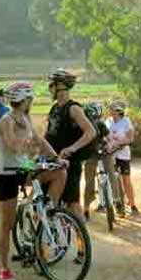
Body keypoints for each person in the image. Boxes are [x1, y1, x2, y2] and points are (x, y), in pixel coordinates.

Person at [0, 81, 67, 280]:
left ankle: (45, 212)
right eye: (30, 99)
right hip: (6, 173)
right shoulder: (6, 120)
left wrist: (55, 158)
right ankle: (5, 268)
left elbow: (40, 140)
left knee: (59, 173)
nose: (32, 102)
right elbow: (12, 145)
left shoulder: (26, 118)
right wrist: (28, 146)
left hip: (25, 167)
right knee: (6, 224)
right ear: (24, 100)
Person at [44, 68, 97, 222]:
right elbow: (50, 134)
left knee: (73, 203)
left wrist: (72, 148)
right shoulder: (55, 108)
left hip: (70, 163)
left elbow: (91, 132)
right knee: (52, 201)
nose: (50, 88)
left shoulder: (73, 108)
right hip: (54, 161)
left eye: (52, 84)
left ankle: (83, 241)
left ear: (60, 86)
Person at [82, 102, 121, 220]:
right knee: (108, 175)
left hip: (96, 154)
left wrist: (111, 145)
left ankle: (86, 209)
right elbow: (109, 138)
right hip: (97, 153)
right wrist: (111, 146)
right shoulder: (97, 123)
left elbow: (109, 138)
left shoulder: (87, 125)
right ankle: (116, 200)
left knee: (91, 182)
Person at [105, 100, 137, 215]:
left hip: (123, 154)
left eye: (113, 109)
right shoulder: (108, 121)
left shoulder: (126, 121)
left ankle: (132, 204)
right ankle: (116, 203)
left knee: (126, 180)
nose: (110, 110)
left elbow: (130, 138)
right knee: (113, 179)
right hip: (111, 154)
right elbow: (105, 135)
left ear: (119, 111)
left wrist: (119, 144)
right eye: (110, 108)